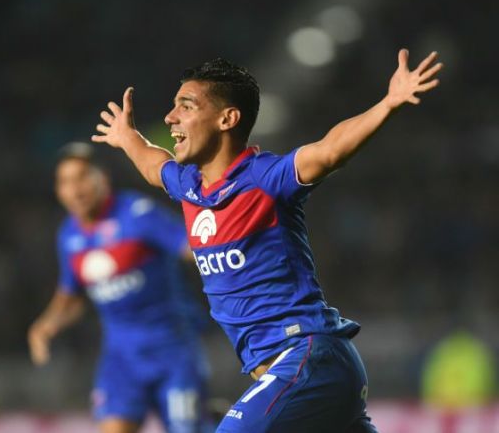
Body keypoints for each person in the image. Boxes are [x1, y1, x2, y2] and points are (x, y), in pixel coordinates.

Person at [91, 49, 442, 432]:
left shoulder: (265, 178)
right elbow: (153, 166)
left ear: (227, 118)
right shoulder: (190, 186)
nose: (170, 117)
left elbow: (329, 152)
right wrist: (127, 137)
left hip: (307, 358)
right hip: (307, 373)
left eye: (186, 106)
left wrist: (388, 104)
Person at [27, 142, 211, 433]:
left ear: (103, 178)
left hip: (172, 351)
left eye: (82, 177)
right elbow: (72, 296)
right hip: (121, 359)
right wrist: (47, 325)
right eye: (65, 182)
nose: (75, 189)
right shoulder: (69, 235)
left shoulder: (138, 213)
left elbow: (192, 247)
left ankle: (210, 421)